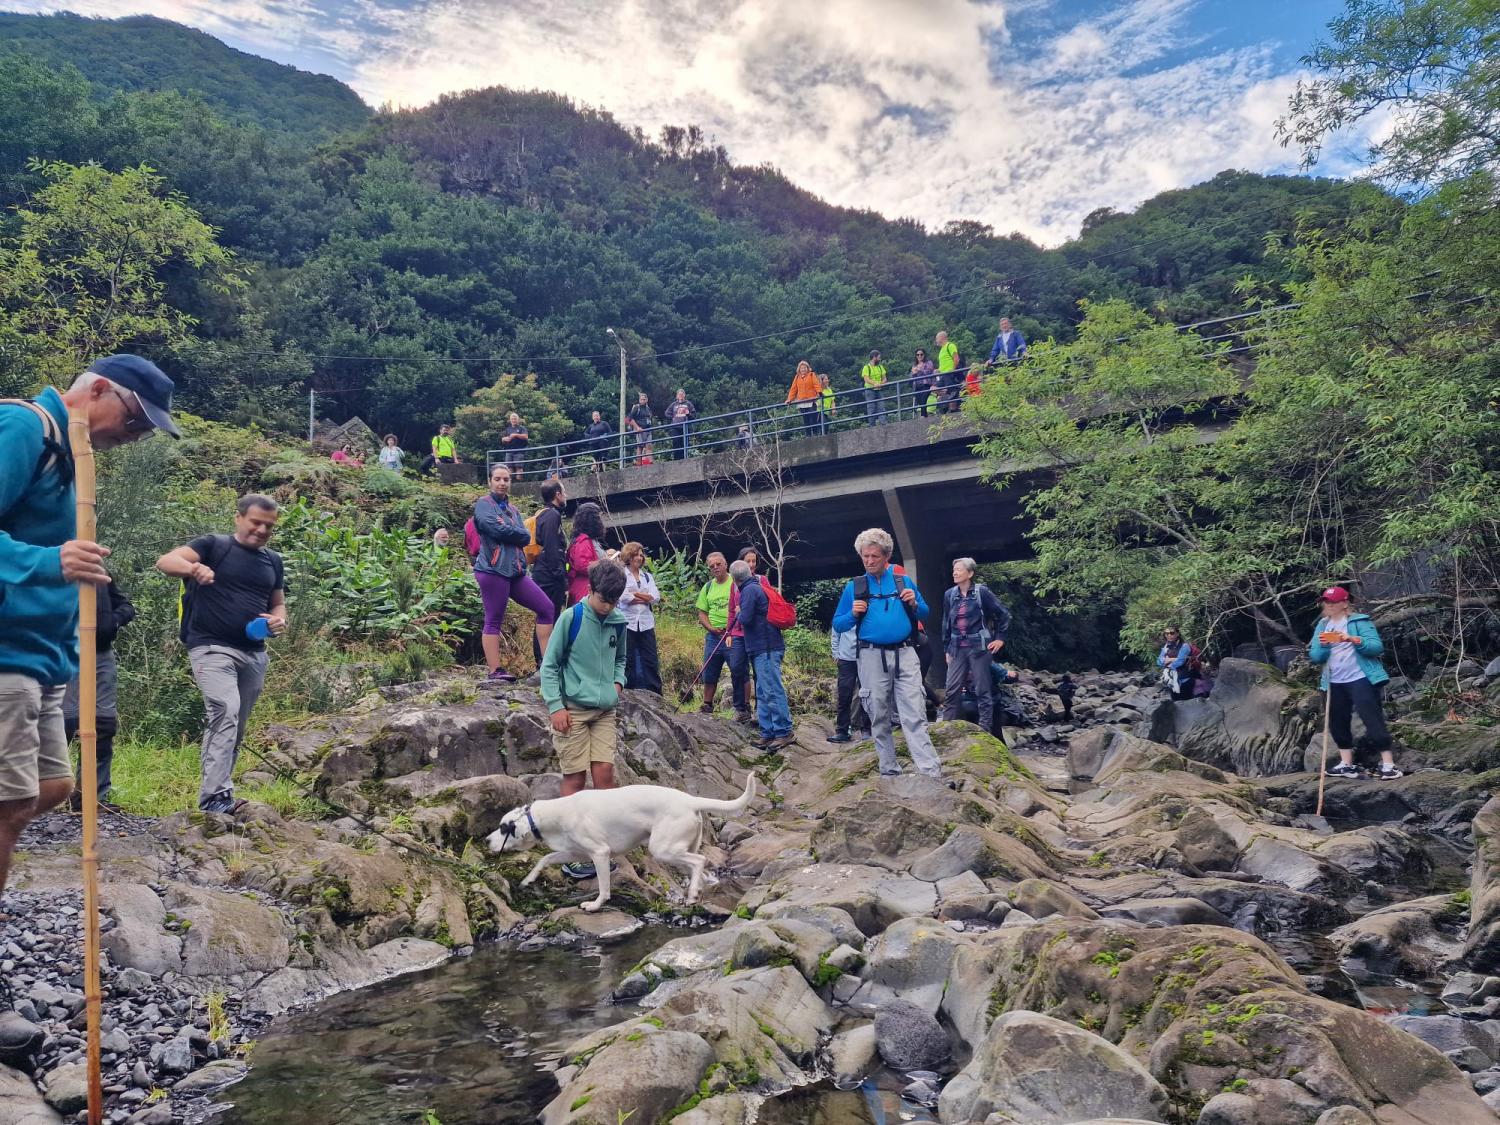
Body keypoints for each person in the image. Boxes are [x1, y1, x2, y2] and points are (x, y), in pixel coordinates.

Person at [0, 354, 177, 902]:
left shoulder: (76, 459)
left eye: (146, 430)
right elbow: (47, 560)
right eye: (135, 420)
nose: (137, 435)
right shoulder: (25, 427)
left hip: (44, 658)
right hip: (7, 655)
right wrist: (51, 562)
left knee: (52, 787)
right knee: (8, 800)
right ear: (98, 389)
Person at [157, 493, 286, 814]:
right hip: (211, 647)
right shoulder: (214, 545)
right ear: (239, 517)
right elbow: (165, 561)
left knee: (236, 724)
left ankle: (219, 793)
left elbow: (278, 602)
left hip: (254, 653)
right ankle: (214, 797)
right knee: (225, 711)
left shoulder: (273, 560)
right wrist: (194, 568)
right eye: (256, 522)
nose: (261, 530)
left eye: (268, 526)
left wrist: (279, 619)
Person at [831, 529, 945, 780]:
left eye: (874, 556)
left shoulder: (902, 581)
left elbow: (925, 613)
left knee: (914, 712)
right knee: (879, 715)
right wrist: (853, 614)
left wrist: (914, 603)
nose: (869, 561)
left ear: (887, 556)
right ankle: (889, 770)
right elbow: (838, 624)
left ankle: (930, 773)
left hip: (905, 652)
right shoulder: (855, 586)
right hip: (871, 657)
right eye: (865, 556)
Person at [540, 558, 628, 876]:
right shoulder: (571, 618)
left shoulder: (618, 620)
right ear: (591, 590)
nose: (608, 607)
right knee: (575, 779)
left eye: (614, 601)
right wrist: (555, 706)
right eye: (604, 599)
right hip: (573, 710)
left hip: (605, 709)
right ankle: (574, 852)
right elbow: (549, 666)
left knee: (604, 773)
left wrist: (618, 683)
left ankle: (604, 843)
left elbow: (621, 658)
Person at [471, 464, 556, 682]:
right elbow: (495, 529)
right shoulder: (483, 505)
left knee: (546, 607)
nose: (502, 483)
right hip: (492, 570)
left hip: (516, 572)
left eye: (506, 479)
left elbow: (526, 536)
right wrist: (515, 533)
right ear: (490, 481)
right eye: (498, 479)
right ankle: (495, 671)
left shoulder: (514, 510)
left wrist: (513, 532)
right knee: (494, 618)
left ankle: (548, 666)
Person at [1308, 586, 1401, 780]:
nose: (1329, 606)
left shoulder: (1360, 622)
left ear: (1344, 603)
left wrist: (1352, 639)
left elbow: (1376, 648)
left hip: (1361, 678)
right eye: (1326, 602)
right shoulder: (1322, 625)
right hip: (1334, 681)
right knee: (1338, 721)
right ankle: (1346, 764)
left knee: (1371, 718)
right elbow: (1315, 656)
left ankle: (1388, 764)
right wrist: (1324, 646)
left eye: (1333, 602)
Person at [63, 579, 135, 809]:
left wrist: (112, 621)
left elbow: (124, 604)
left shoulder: (98, 570)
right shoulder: (50, 560)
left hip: (101, 653)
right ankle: (43, 795)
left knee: (103, 723)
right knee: (65, 721)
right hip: (64, 652)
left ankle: (90, 797)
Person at [939, 558, 1011, 734]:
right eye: (954, 569)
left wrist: (1000, 638)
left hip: (979, 647)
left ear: (970, 573)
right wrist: (946, 648)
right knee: (952, 690)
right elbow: (946, 623)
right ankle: (947, 728)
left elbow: (1003, 614)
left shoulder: (982, 592)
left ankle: (984, 731)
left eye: (959, 570)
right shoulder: (950, 594)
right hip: (956, 647)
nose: (955, 573)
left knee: (982, 689)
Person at [733, 559, 792, 752]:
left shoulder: (748, 591)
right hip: (762, 646)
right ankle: (768, 733)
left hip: (765, 647)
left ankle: (783, 732)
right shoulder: (755, 587)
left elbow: (746, 619)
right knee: (763, 691)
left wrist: (739, 612)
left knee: (772, 689)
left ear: (735, 579)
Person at [618, 542, 662, 694]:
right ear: (628, 556)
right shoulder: (621, 574)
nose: (639, 557)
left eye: (641, 554)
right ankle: (627, 692)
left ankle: (655, 693)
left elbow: (656, 597)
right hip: (627, 622)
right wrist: (645, 597)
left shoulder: (647, 577)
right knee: (627, 659)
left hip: (646, 622)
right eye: (636, 554)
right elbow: (623, 597)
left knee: (650, 659)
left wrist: (635, 594)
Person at [694, 552, 735, 715]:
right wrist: (710, 628)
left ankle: (743, 706)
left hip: (733, 634)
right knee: (709, 670)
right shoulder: (708, 587)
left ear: (726, 564)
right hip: (713, 635)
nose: (716, 568)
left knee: (738, 670)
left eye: (718, 564)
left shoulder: (735, 582)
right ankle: (707, 704)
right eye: (712, 566)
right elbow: (701, 612)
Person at [723, 547, 760, 723]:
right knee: (737, 668)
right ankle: (742, 707)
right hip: (738, 632)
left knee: (759, 671)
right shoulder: (734, 585)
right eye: (748, 561)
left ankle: (761, 708)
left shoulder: (762, 581)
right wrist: (728, 631)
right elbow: (732, 609)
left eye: (754, 561)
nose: (751, 564)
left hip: (756, 633)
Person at [532, 479, 569, 624]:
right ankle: (543, 647)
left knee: (546, 617)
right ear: (558, 495)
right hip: (549, 577)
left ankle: (543, 646)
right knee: (549, 618)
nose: (566, 496)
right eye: (564, 492)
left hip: (543, 571)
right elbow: (551, 546)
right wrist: (560, 575)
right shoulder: (552, 515)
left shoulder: (543, 513)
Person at [829, 622, 870, 744]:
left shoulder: (869, 607)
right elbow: (836, 631)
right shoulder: (844, 612)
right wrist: (836, 654)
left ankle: (867, 729)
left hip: (866, 657)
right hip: (846, 659)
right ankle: (842, 731)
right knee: (844, 695)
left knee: (867, 695)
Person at [567, 502, 608, 606]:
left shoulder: (589, 540)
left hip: (589, 588)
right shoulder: (583, 540)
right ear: (592, 519)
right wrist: (606, 563)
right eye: (599, 516)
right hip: (584, 590)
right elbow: (582, 565)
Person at [1157, 627, 1199, 701]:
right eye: (1167, 633)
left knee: (1187, 703)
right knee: (1176, 703)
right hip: (1171, 680)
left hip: (1185, 679)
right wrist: (1172, 660)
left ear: (1177, 634)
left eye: (1172, 633)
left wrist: (1168, 661)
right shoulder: (1166, 647)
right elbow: (1159, 661)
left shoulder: (1185, 646)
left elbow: (1180, 662)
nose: (1169, 635)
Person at [786, 361, 821, 436]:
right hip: (801, 401)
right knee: (806, 419)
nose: (803, 369)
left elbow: (816, 384)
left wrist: (819, 392)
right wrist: (789, 399)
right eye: (801, 368)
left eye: (805, 367)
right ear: (799, 369)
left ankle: (815, 433)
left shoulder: (811, 375)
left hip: (811, 400)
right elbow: (793, 389)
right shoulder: (797, 377)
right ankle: (808, 435)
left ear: (807, 368)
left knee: (813, 417)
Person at [664, 389, 696, 460]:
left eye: (682, 394)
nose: (680, 396)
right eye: (679, 394)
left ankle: (684, 459)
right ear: (677, 396)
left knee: (684, 443)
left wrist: (688, 414)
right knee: (676, 442)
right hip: (675, 427)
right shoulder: (674, 404)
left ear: (684, 395)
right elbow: (666, 413)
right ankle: (676, 460)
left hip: (685, 427)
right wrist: (673, 417)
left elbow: (693, 416)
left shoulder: (688, 404)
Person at [860, 350, 888, 424]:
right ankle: (872, 426)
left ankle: (883, 424)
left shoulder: (880, 367)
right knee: (871, 408)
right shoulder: (866, 367)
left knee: (881, 407)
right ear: (874, 357)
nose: (880, 359)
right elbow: (866, 379)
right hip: (870, 390)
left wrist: (880, 383)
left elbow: (885, 378)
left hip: (879, 389)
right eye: (879, 358)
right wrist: (875, 383)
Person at [627, 392, 654, 464]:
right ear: (639, 400)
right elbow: (630, 418)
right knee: (640, 446)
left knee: (649, 445)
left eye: (644, 399)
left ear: (646, 400)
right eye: (641, 399)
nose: (643, 401)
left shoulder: (648, 408)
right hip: (640, 430)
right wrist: (637, 427)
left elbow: (650, 418)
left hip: (648, 429)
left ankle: (650, 462)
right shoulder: (636, 407)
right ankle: (639, 463)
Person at [500, 412, 529, 478]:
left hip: (519, 451)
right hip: (508, 451)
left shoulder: (522, 428)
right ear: (510, 420)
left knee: (519, 467)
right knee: (509, 468)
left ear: (518, 420)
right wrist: (504, 439)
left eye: (515, 418)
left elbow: (526, 437)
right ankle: (510, 484)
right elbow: (502, 439)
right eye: (512, 419)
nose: (513, 420)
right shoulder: (507, 429)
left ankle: (520, 484)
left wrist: (516, 435)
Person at [910, 348, 936, 417]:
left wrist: (919, 370)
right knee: (920, 402)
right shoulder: (914, 365)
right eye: (917, 355)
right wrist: (914, 373)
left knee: (923, 400)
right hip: (917, 386)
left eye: (921, 354)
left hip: (926, 385)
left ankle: (923, 417)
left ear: (924, 355)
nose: (919, 356)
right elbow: (912, 377)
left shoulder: (928, 363)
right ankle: (924, 416)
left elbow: (930, 372)